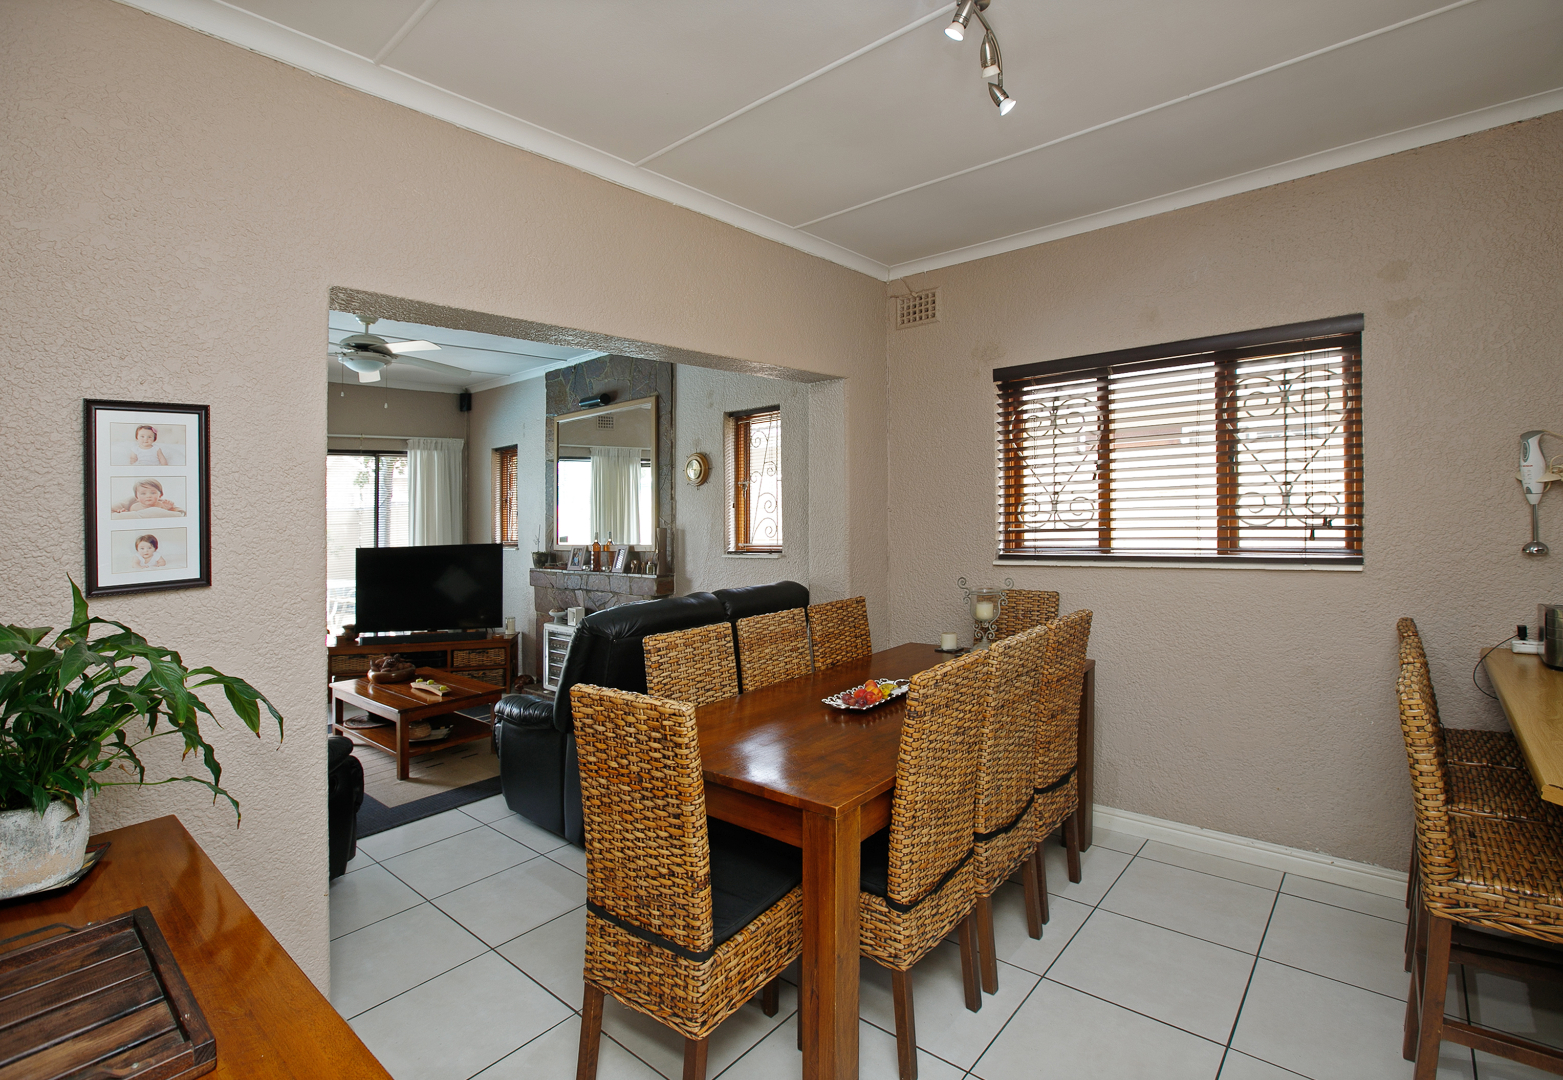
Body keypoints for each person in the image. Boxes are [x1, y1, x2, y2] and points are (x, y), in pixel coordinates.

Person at [111, 479, 182, 515]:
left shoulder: (161, 505)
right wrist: (124, 512)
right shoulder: (134, 507)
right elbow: (131, 517)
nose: (148, 496)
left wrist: (169, 508)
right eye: (143, 493)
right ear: (137, 497)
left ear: (160, 495)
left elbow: (167, 515)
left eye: (152, 493)